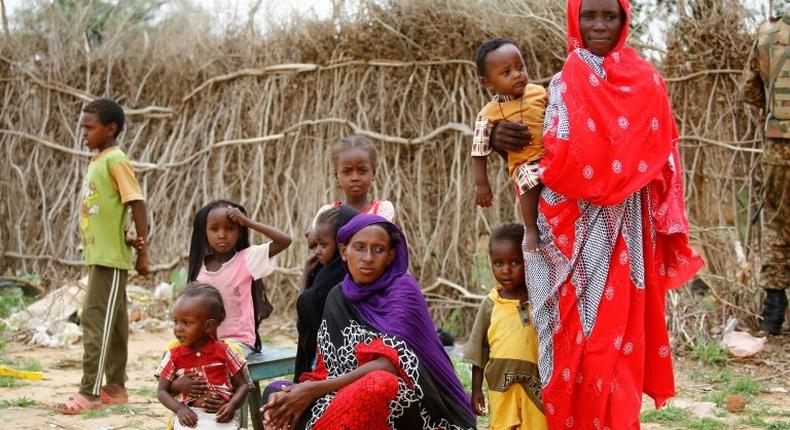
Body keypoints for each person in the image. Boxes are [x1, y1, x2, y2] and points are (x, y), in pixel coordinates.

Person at [491, 0, 704, 427]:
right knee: (566, 334)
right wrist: (504, 140)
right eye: (589, 15)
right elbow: (542, 154)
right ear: (575, 19)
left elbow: (665, 156)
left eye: (611, 15)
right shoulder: (565, 80)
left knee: (615, 340)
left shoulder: (647, 80)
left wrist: (621, 175)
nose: (600, 25)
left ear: (625, 20)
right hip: (563, 233)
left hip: (624, 232)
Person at [261, 214, 475, 430]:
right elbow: (329, 366)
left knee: (378, 386)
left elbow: (395, 362)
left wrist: (313, 390)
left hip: (418, 402)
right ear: (344, 251)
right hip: (343, 389)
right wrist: (303, 390)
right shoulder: (338, 296)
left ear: (390, 255)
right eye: (359, 248)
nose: (368, 258)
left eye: (378, 249)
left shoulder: (402, 291)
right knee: (277, 392)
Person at [54, 98, 150, 414]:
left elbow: (136, 202)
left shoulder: (116, 160)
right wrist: (124, 235)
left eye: (89, 127)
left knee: (95, 320)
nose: (83, 132)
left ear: (111, 129)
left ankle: (89, 391)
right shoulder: (98, 160)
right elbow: (110, 211)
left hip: (109, 259)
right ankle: (115, 386)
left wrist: (143, 251)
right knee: (116, 322)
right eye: (83, 126)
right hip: (102, 253)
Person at [464, 223, 547, 430]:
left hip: (537, 387)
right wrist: (476, 391)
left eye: (515, 262)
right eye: (498, 263)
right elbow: (479, 352)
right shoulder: (490, 304)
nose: (506, 270)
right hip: (500, 386)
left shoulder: (541, 300)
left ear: (528, 261)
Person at [187, 200, 292, 356]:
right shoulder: (199, 268)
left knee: (220, 355)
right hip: (206, 341)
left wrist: (247, 222)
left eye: (229, 228)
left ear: (240, 232)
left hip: (238, 342)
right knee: (174, 352)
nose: (222, 234)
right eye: (214, 229)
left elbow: (284, 240)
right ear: (205, 232)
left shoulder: (248, 259)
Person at [471, 39, 547, 250]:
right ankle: (531, 229)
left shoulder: (539, 92)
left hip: (552, 156)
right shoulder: (488, 114)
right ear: (488, 83)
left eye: (520, 67)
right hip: (525, 162)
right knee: (529, 179)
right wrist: (481, 185)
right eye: (506, 73)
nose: (517, 74)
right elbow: (478, 150)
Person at [743, 0, 789, 335]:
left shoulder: (767, 33)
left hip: (779, 144)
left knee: (777, 222)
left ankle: (773, 315)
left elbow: (751, 92)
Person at [157, 283, 251, 430]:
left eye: (186, 323)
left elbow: (243, 385)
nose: (178, 329)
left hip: (220, 416)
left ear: (209, 326)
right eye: (176, 322)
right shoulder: (174, 354)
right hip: (189, 417)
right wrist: (179, 409)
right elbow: (162, 391)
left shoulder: (226, 351)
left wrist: (231, 405)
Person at [295, 205, 359, 380]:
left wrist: (305, 276)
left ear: (343, 245)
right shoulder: (329, 271)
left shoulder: (337, 278)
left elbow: (305, 307)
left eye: (323, 244)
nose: (317, 251)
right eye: (315, 244)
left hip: (333, 365)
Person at [311, 136, 395, 228]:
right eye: (347, 172)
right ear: (337, 176)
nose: (355, 178)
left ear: (373, 174)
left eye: (362, 171)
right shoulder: (327, 213)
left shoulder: (382, 210)